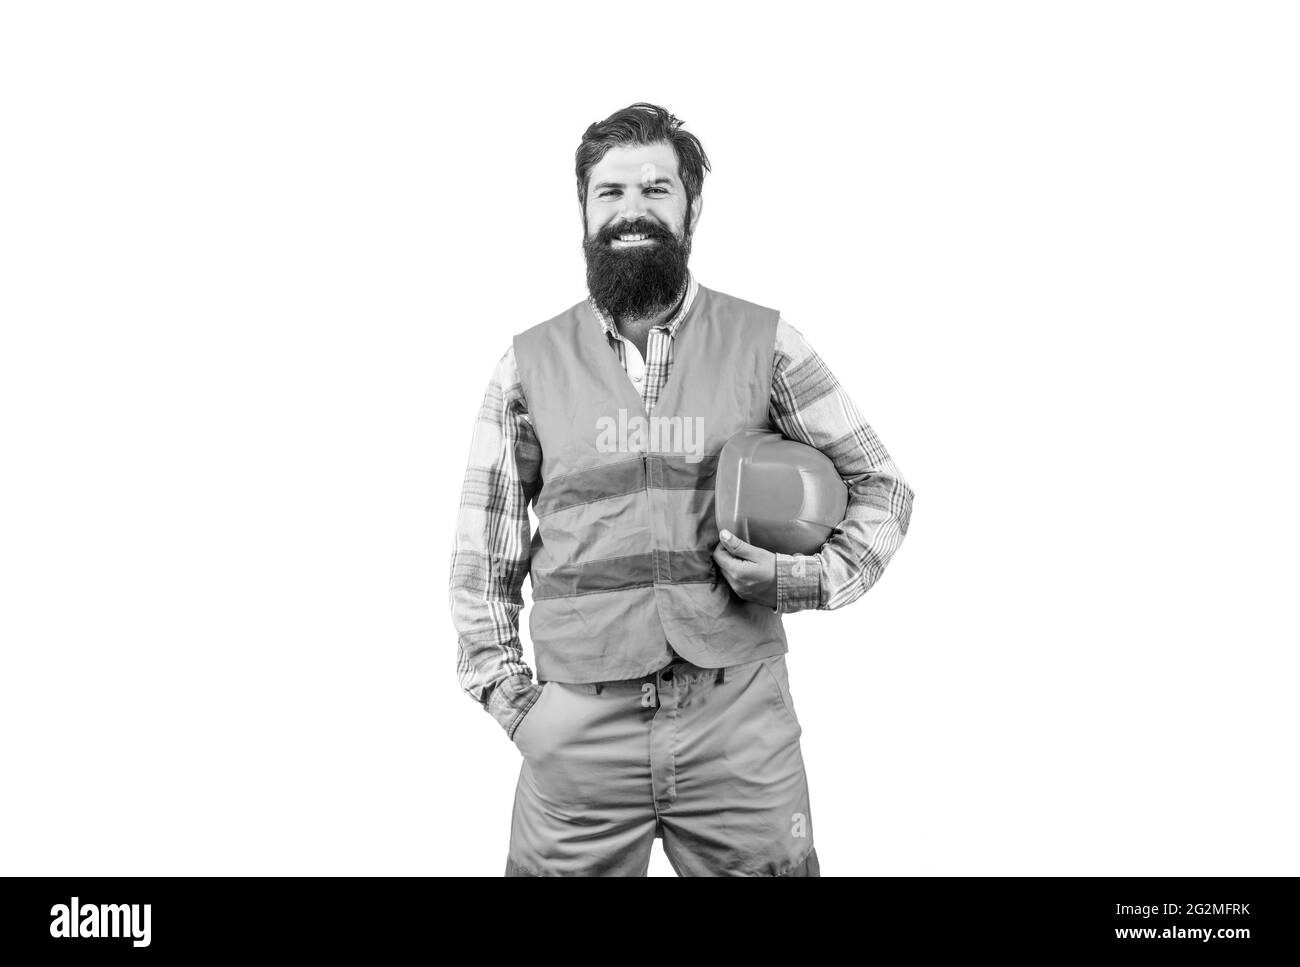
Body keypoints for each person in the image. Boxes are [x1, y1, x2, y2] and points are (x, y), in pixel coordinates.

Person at [449, 102, 915, 876]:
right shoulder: (524, 365)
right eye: (611, 192)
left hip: (738, 721)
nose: (634, 210)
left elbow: (883, 487)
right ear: (584, 211)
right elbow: (481, 556)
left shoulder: (766, 342)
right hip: (579, 728)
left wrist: (802, 579)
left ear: (691, 208)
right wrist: (514, 704)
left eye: (657, 189)